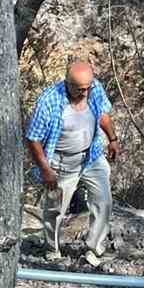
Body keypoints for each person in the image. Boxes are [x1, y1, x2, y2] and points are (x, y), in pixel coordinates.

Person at [25, 56, 120, 265]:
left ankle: (94, 249)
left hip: (91, 156)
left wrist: (112, 139)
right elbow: (33, 139)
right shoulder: (49, 101)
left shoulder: (94, 88)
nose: (84, 92)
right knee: (55, 209)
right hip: (61, 162)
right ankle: (52, 249)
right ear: (67, 83)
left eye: (87, 87)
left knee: (103, 201)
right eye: (79, 89)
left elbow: (102, 114)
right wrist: (46, 170)